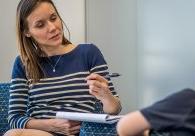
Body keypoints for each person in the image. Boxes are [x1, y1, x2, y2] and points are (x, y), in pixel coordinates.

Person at [5, 0, 121, 136]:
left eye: (53, 18)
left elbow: (115, 109)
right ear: (27, 32)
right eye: (40, 25)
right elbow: (14, 118)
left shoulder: (89, 53)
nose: (53, 27)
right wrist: (51, 126)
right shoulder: (23, 63)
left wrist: (105, 95)